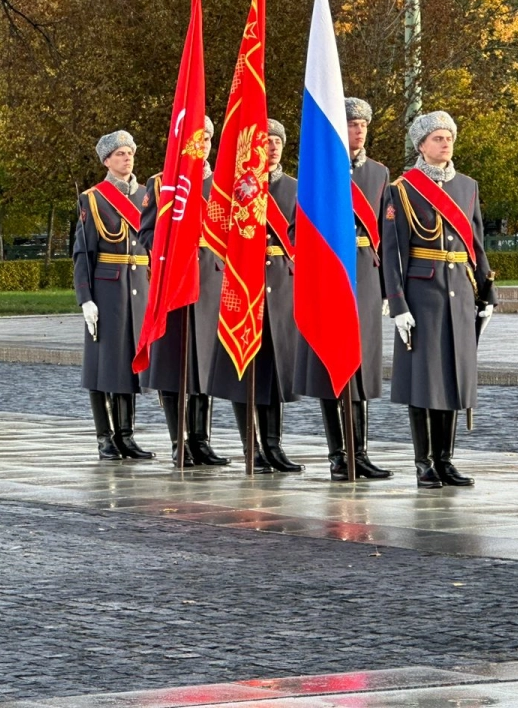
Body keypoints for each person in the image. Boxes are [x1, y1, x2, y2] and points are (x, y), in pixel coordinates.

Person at [382, 111, 497, 488]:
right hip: (423, 293)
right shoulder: (401, 189)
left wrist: (486, 290)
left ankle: (447, 460)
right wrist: (397, 304)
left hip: (460, 294)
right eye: (437, 138)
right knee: (424, 380)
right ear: (421, 145)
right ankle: (424, 463)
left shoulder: (467, 186)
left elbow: (476, 244)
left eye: (449, 137)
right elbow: (394, 251)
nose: (445, 144)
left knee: (452, 378)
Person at [294, 97, 392, 481]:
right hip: (329, 274)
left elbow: (387, 236)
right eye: (352, 124)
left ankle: (361, 451)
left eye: (363, 124)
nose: (359, 130)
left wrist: (385, 289)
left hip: (365, 275)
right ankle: (338, 453)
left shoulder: (380, 173)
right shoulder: (317, 171)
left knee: (362, 366)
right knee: (331, 363)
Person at [208, 118, 303, 473]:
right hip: (242, 285)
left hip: (280, 285)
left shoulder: (295, 187)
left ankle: (274, 445)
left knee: (275, 371)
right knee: (243, 369)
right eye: (267, 141)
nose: (274, 147)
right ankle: (252, 445)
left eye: (278, 141)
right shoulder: (237, 187)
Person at [139, 116, 230, 467]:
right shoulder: (163, 183)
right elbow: (146, 233)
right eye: (198, 137)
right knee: (173, 364)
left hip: (210, 282)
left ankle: (201, 440)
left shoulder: (221, 183)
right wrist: (173, 246)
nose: (204, 143)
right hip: (176, 282)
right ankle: (179, 440)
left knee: (205, 364)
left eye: (208, 138)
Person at [73, 130, 155, 461]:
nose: (127, 158)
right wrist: (85, 299)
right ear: (107, 160)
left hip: (140, 288)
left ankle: (126, 435)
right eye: (120, 153)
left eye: (130, 152)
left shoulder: (148, 195)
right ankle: (104, 437)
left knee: (129, 365)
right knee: (102, 365)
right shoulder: (93, 198)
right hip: (107, 289)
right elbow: (82, 253)